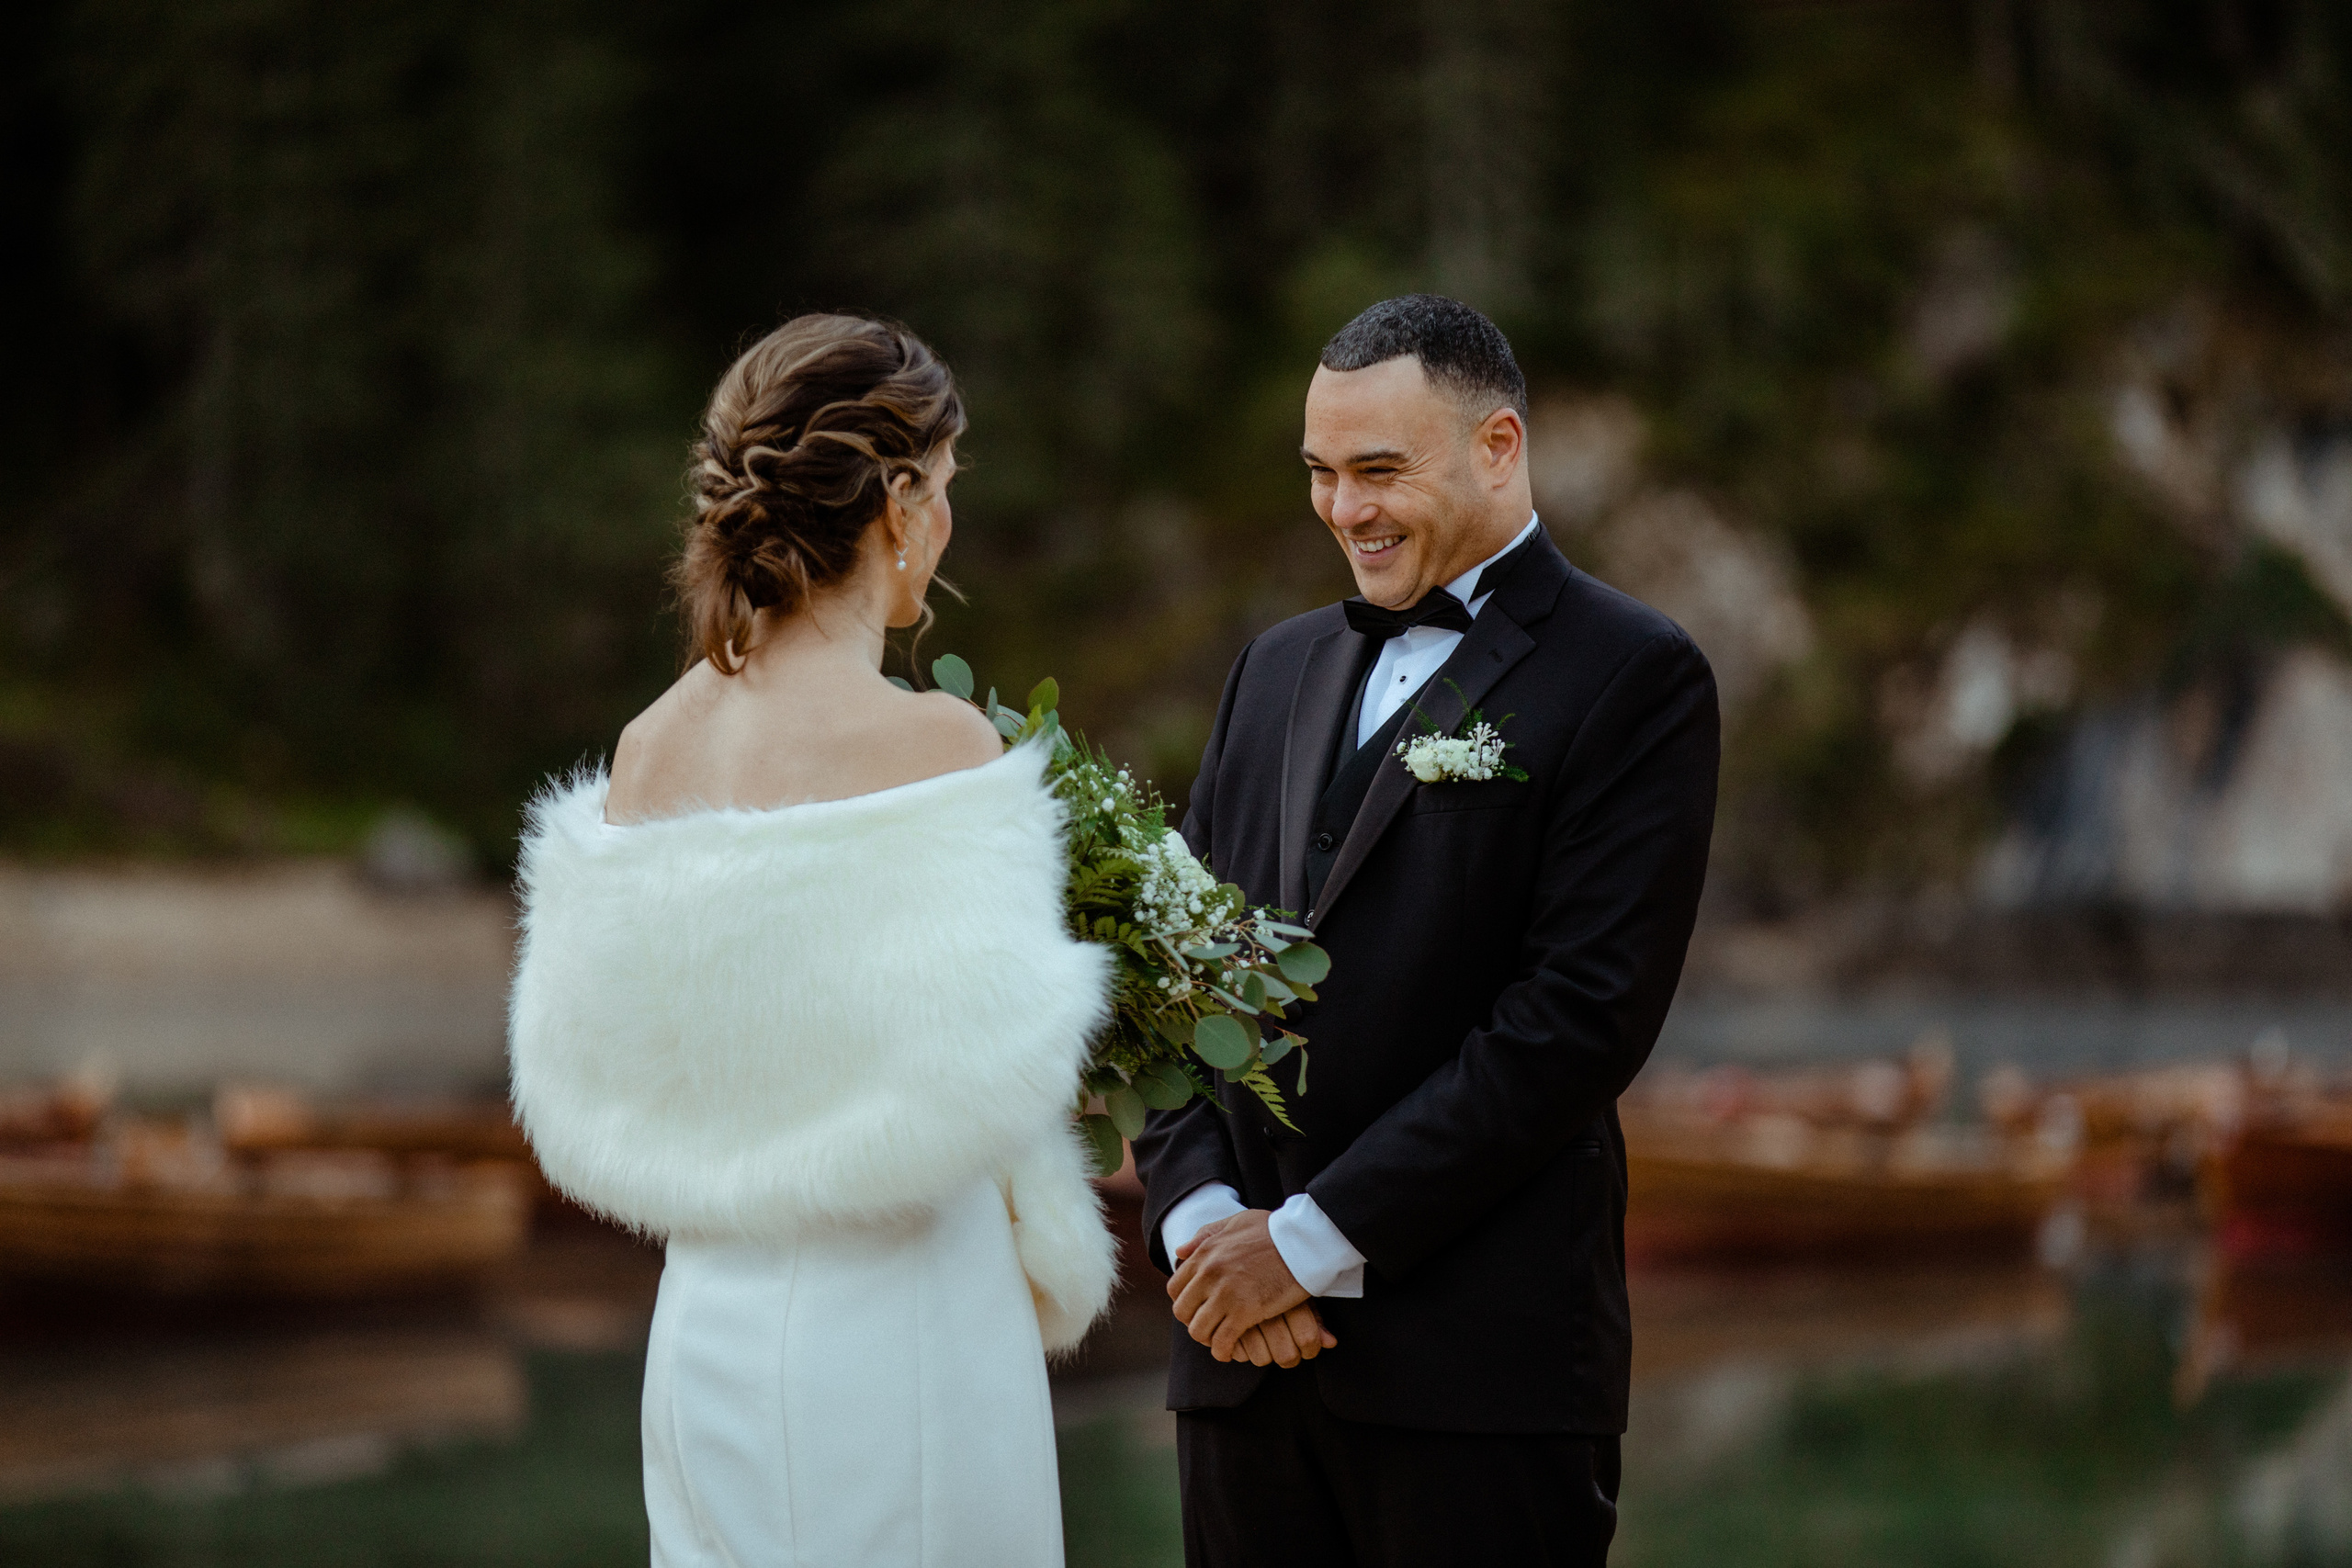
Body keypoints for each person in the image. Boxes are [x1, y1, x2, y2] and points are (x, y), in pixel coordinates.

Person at [507, 314, 1118, 1568]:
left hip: (708, 1322)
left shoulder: (646, 751)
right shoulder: (943, 747)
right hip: (908, 1318)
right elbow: (997, 1075)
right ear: (896, 505)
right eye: (943, 490)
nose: (945, 525)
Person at [1133, 295, 1721, 1566]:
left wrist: (1304, 1246)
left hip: (1478, 1378)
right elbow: (1174, 986)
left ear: (1498, 447)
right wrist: (1199, 1237)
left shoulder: (1634, 674)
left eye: (1380, 471)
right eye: (1322, 475)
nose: (1346, 510)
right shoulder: (1272, 669)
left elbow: (1574, 1027)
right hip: (1237, 1368)